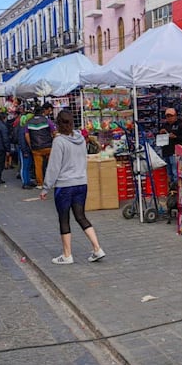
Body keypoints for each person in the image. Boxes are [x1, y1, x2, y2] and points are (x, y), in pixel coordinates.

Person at [39, 110, 107, 265]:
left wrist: (45, 188)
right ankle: (97, 248)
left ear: (57, 123)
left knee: (64, 218)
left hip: (64, 185)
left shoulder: (59, 142)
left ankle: (67, 254)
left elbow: (54, 167)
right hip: (81, 183)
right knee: (80, 216)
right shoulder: (81, 139)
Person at [25, 102, 55, 189]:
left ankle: (40, 184)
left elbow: (26, 135)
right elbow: (53, 132)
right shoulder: (47, 121)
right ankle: (51, 182)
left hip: (36, 148)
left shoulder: (29, 122)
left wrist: (31, 145)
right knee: (51, 165)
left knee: (38, 166)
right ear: (42, 112)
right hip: (48, 146)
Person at [159, 107, 182, 185]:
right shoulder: (164, 125)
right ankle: (171, 188)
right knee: (169, 172)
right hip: (166, 151)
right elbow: (159, 140)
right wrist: (160, 134)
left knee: (176, 171)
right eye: (167, 116)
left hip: (176, 152)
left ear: (175, 116)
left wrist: (175, 137)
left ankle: (177, 188)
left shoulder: (180, 125)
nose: (169, 118)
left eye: (171, 116)